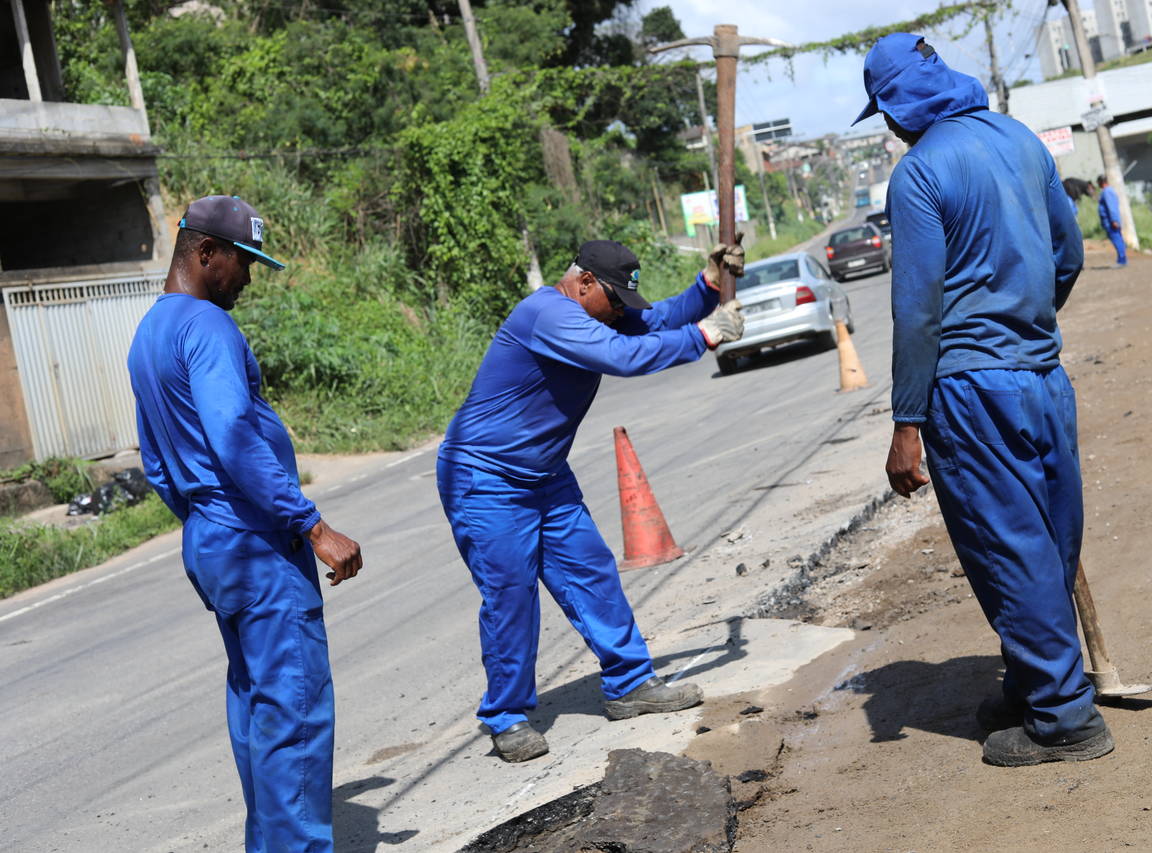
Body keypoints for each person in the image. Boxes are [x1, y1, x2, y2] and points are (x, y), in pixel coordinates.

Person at [854, 34, 1113, 766]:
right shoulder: (1021, 140)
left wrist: (906, 422)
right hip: (1042, 375)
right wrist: (1025, 325)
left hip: (970, 389)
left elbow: (918, 311)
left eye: (884, 109)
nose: (888, 124)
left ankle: (1063, 719)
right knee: (1050, 536)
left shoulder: (918, 173)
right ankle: (1034, 683)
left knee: (1008, 544)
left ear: (899, 103)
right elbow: (1068, 255)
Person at [436, 239, 745, 763]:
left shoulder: (596, 313)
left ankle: (629, 683)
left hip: (545, 475)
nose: (622, 311)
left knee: (591, 573)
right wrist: (704, 336)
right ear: (583, 283)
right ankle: (506, 716)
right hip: (486, 478)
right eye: (616, 299)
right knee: (511, 596)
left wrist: (708, 286)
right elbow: (622, 356)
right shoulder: (548, 314)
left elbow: (656, 320)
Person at [128, 195, 363, 850]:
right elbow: (232, 433)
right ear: (206, 253)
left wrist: (206, 519)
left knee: (256, 698)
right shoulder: (207, 327)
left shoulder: (149, 333)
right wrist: (313, 526)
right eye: (245, 261)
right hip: (257, 542)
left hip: (213, 539)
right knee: (293, 707)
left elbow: (156, 463)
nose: (249, 278)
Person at [1097, 174, 1127, 267]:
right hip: (1111, 221)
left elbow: (1111, 207)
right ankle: (1121, 259)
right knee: (1118, 239)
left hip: (1110, 222)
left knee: (1117, 239)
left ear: (1101, 182)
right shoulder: (1109, 191)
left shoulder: (1107, 192)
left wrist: (1114, 220)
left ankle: (1122, 261)